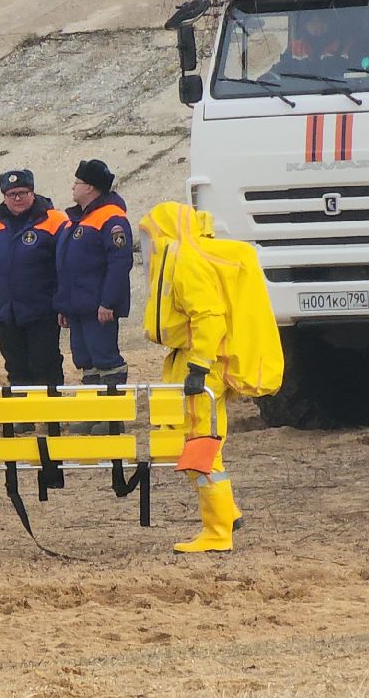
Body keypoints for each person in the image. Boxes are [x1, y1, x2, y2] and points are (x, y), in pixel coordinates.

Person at [139, 201, 283, 553]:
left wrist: (199, 367)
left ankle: (218, 532)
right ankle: (227, 515)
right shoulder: (187, 257)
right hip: (191, 361)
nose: (148, 246)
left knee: (200, 445)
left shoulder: (186, 261)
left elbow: (209, 317)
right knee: (190, 443)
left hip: (200, 365)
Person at [0, 169, 68, 398]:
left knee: (45, 363)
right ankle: (21, 412)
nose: (17, 198)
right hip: (5, 310)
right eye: (11, 194)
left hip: (43, 310)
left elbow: (68, 266)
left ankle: (50, 412)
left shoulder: (55, 221)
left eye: (22, 193)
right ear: (4, 196)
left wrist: (65, 303)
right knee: (15, 365)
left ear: (32, 192)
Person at [54, 158, 133, 398]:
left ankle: (112, 412)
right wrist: (64, 305)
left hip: (98, 308)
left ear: (90, 187)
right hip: (78, 307)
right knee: (85, 360)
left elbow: (119, 263)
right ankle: (93, 409)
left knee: (105, 359)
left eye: (77, 182)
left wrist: (108, 302)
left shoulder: (112, 218)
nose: (73, 187)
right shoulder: (78, 219)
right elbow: (67, 267)